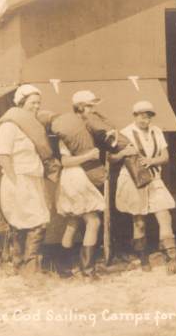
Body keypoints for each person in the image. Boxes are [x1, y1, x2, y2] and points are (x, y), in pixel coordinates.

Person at [110, 101, 176, 274]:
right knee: (139, 221)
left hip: (154, 178)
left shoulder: (156, 131)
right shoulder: (124, 133)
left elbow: (165, 156)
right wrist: (122, 153)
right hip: (133, 180)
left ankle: (172, 259)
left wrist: (152, 161)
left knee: (165, 215)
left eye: (148, 116)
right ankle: (143, 260)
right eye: (141, 116)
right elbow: (111, 159)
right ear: (134, 116)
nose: (145, 120)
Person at [0, 84, 55, 274]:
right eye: (32, 102)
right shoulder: (9, 126)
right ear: (21, 102)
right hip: (18, 179)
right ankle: (29, 269)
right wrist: (16, 183)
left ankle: (20, 266)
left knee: (28, 221)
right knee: (34, 221)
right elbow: (3, 156)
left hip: (32, 179)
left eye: (38, 103)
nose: (36, 106)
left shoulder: (31, 126)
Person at [52, 90, 107, 278]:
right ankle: (88, 270)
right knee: (93, 221)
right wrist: (89, 156)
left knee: (73, 222)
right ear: (80, 107)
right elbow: (65, 161)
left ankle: (64, 268)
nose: (92, 110)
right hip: (75, 177)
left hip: (78, 177)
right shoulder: (70, 129)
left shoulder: (85, 126)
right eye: (90, 106)